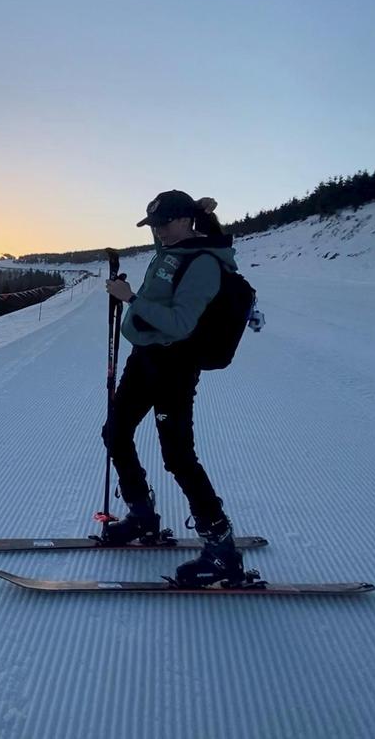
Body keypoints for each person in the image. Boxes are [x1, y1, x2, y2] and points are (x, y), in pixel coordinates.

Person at [103, 189, 245, 587]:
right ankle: (143, 516)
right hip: (143, 358)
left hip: (174, 366)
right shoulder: (170, 247)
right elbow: (165, 246)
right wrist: (199, 213)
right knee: (115, 432)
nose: (158, 232)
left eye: (164, 223)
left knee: (178, 456)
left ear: (184, 221)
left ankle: (222, 551)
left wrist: (130, 298)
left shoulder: (202, 263)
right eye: (154, 225)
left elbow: (182, 323)